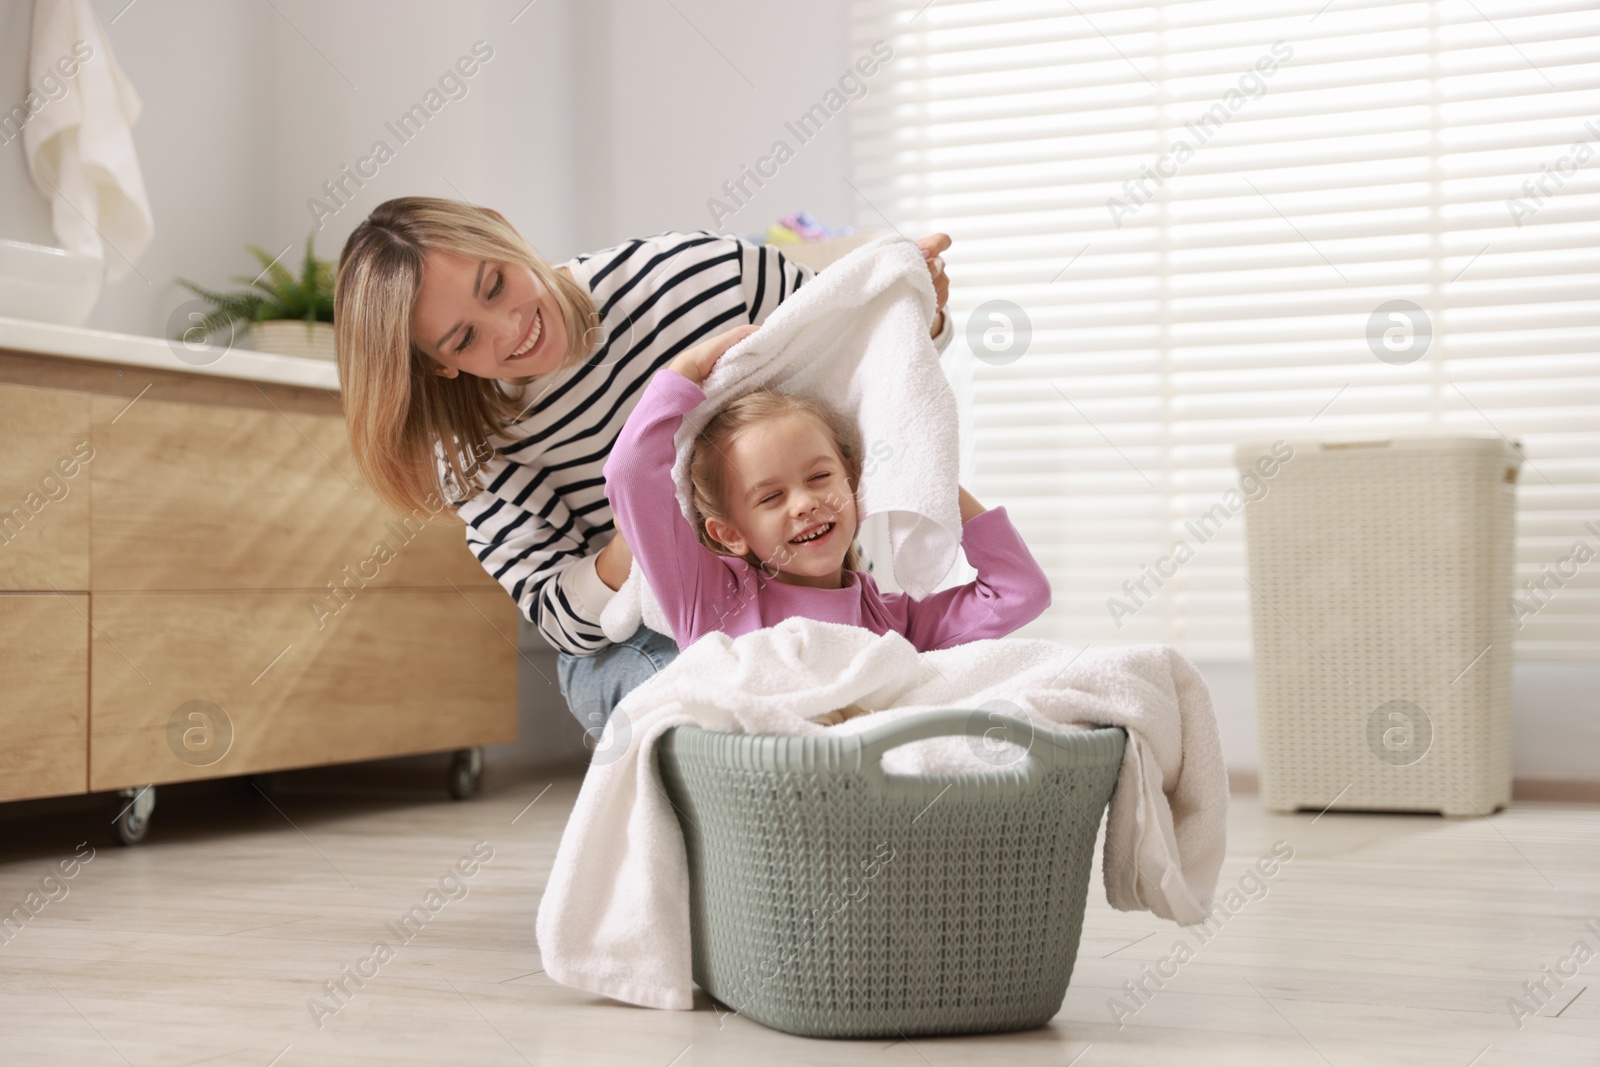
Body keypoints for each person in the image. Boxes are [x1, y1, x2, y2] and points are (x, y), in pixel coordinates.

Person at [332, 196, 953, 738]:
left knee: (902, 691)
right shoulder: (474, 449)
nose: (510, 328)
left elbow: (855, 356)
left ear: (501, 229)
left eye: (495, 285)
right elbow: (560, 620)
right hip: (641, 639)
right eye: (464, 340)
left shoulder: (699, 276)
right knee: (713, 711)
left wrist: (917, 313)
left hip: (811, 590)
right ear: (442, 365)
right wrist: (654, 528)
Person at [602, 322, 1051, 725]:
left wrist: (926, 476)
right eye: (771, 496)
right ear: (730, 534)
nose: (805, 504)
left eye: (819, 478)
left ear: (855, 484)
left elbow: (1019, 590)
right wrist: (684, 370)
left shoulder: (894, 622)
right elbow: (629, 474)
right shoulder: (712, 600)